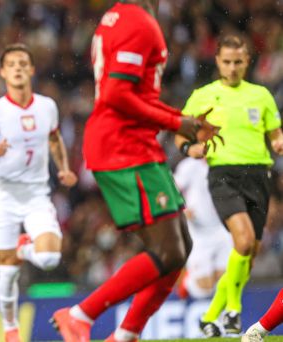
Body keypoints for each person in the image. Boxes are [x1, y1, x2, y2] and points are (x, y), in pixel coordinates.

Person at [50, 1, 219, 342]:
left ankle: (125, 335)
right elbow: (116, 94)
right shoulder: (138, 22)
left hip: (133, 143)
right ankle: (81, 314)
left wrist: (179, 120)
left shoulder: (118, 17)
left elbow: (133, 92)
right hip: (122, 146)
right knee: (169, 250)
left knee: (180, 247)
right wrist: (175, 122)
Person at [176, 34, 283, 337]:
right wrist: (189, 150)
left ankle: (211, 316)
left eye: (238, 62)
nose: (233, 68)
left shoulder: (261, 95)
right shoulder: (202, 96)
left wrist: (278, 142)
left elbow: (275, 133)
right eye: (227, 62)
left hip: (259, 176)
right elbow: (180, 135)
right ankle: (232, 312)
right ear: (218, 62)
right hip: (223, 174)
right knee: (244, 240)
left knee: (246, 257)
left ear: (248, 61)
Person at [0, 43, 78, 342]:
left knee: (49, 258)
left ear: (32, 69)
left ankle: (21, 247)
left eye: (23, 63)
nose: (18, 68)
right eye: (12, 64)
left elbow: (55, 139)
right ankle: (10, 329)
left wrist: (64, 168)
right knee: (7, 272)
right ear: (3, 72)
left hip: (36, 196)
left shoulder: (47, 106)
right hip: (4, 196)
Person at [173, 157, 232, 300]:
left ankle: (220, 319)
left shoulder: (226, 161)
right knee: (203, 289)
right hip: (198, 232)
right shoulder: (189, 165)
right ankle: (186, 282)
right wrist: (182, 210)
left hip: (222, 228)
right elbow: (172, 190)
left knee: (226, 281)